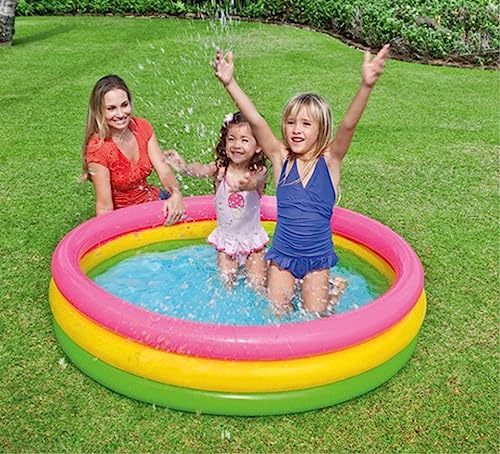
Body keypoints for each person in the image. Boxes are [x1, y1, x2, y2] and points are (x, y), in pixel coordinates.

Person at [213, 45, 390, 315]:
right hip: (282, 257)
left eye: (306, 124)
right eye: (291, 122)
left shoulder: (330, 160)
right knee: (278, 314)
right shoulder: (280, 158)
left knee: (315, 317)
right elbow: (256, 120)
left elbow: (348, 125)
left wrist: (366, 85)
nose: (296, 130)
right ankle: (322, 290)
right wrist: (230, 83)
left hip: (316, 260)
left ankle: (334, 289)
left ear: (321, 129)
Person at [164, 112, 269, 291]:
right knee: (226, 286)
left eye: (244, 140)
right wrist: (185, 167)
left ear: (258, 146)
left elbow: (256, 181)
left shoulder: (258, 171)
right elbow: (201, 169)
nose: (237, 145)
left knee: (258, 286)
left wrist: (248, 184)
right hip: (226, 243)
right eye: (231, 139)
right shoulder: (221, 169)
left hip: (253, 244)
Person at [81, 75, 185, 224]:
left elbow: (163, 170)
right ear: (99, 112)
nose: (120, 114)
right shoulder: (98, 149)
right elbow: (104, 208)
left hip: (155, 201)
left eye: (124, 105)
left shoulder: (142, 127)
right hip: (125, 218)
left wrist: (175, 193)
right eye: (111, 108)